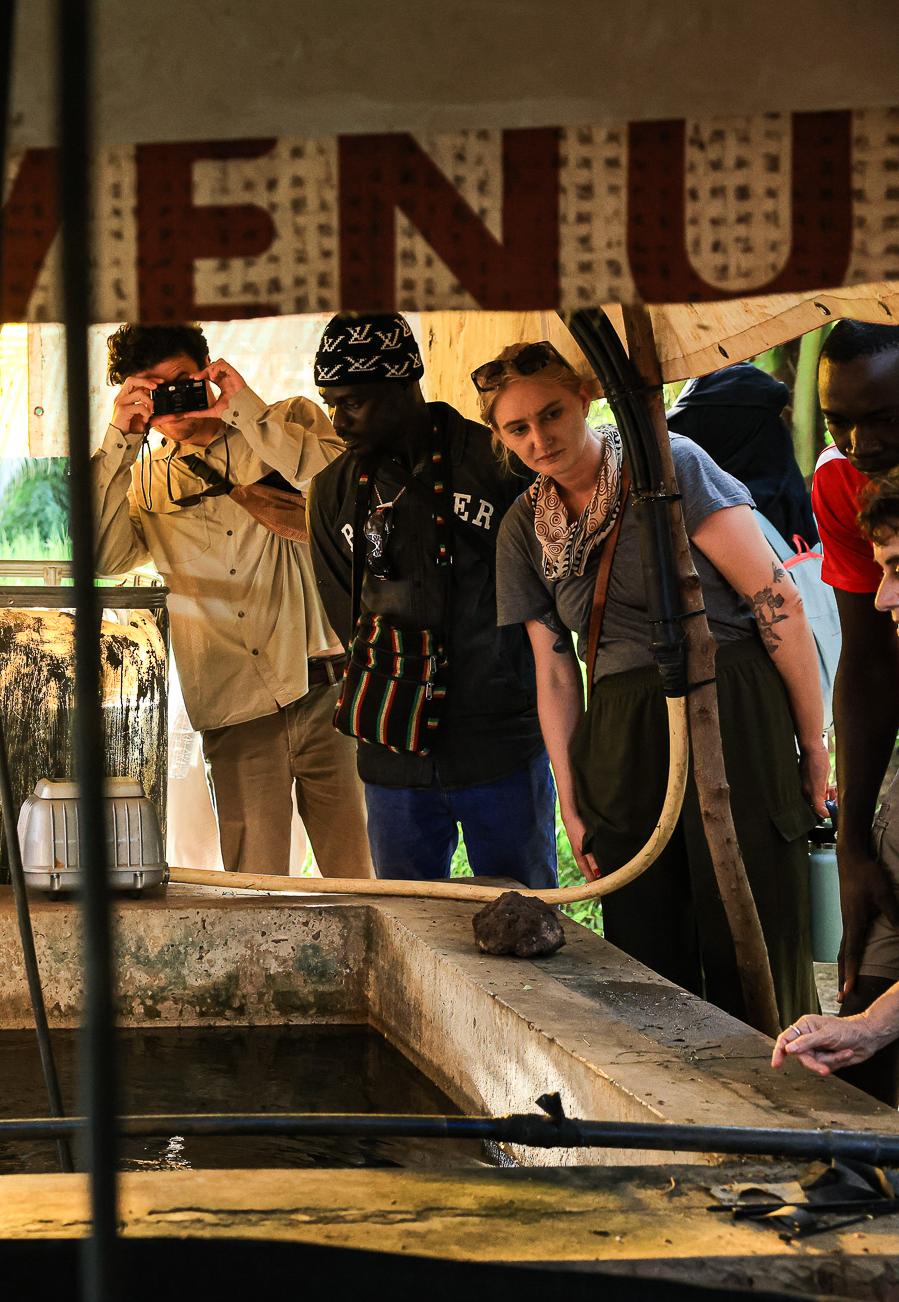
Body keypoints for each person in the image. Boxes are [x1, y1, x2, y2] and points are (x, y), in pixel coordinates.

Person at [486, 342, 827, 1029]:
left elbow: (776, 603)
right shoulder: (525, 526)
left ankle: (781, 1094)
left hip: (728, 697)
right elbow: (554, 669)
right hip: (621, 727)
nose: (539, 438)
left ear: (586, 395)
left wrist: (811, 745)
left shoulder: (671, 465)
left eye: (551, 414)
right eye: (515, 428)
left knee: (754, 920)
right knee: (648, 935)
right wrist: (571, 796)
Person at [92, 323, 368, 877]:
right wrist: (119, 441)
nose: (170, 400)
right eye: (151, 389)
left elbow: (343, 492)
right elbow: (101, 557)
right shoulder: (142, 478)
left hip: (328, 690)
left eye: (181, 382)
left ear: (208, 369)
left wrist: (242, 408)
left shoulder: (286, 419)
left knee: (363, 875)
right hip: (235, 706)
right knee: (258, 889)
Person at [306, 314, 553, 887]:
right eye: (330, 402)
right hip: (392, 752)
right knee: (407, 925)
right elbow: (345, 612)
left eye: (356, 402)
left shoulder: (497, 462)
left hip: (498, 745)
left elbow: (544, 596)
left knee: (528, 909)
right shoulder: (333, 491)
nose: (339, 421)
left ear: (405, 385)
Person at [805, 319, 899, 1101]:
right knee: (867, 1041)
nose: (859, 443)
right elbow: (867, 658)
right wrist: (855, 841)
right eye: (840, 420)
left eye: (883, 419)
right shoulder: (841, 480)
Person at [666, 361, 819, 548]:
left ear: (732, 432)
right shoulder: (814, 514)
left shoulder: (713, 519)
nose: (687, 445)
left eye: (698, 428)